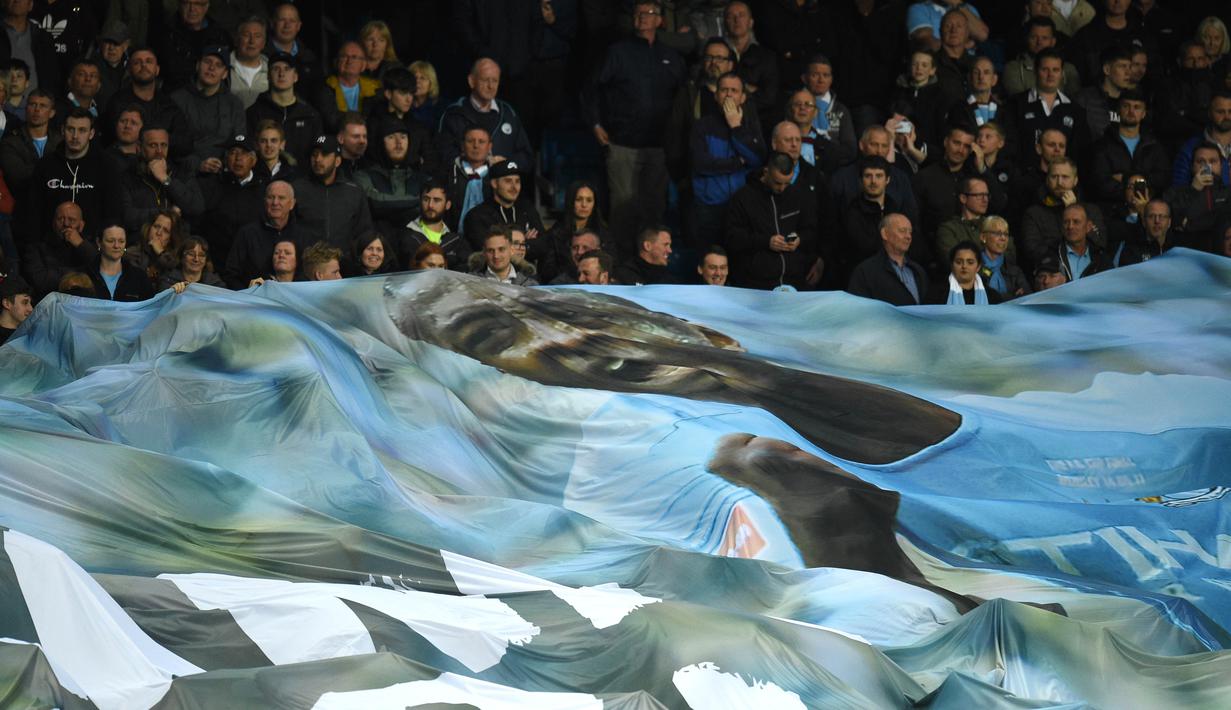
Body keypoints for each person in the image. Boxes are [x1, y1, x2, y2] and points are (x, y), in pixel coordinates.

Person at [583, 1, 685, 247]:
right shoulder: (618, 52)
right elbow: (591, 89)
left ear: (660, 20)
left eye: (648, 13)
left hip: (659, 147)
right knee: (622, 210)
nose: (642, 17)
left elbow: (683, 97)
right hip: (622, 144)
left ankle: (651, 261)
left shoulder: (670, 56)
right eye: (638, 13)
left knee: (655, 209)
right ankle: (620, 262)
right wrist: (595, 123)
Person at [688, 71, 765, 247]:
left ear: (743, 97)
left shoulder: (750, 125)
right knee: (710, 256)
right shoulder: (702, 126)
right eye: (724, 90)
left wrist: (735, 127)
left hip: (742, 205)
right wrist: (739, 162)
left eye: (734, 90)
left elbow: (757, 159)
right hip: (710, 206)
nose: (729, 94)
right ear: (716, 96)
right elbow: (702, 164)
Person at [725, 151, 819, 290]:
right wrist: (766, 241)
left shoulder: (797, 195)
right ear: (766, 171)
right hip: (755, 284)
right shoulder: (743, 198)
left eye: (787, 183)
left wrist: (798, 239)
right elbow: (732, 237)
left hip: (793, 282)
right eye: (777, 183)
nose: (782, 188)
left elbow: (809, 229)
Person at [24, 107, 116, 238]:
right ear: (62, 130)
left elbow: (112, 213)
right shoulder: (45, 165)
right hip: (50, 245)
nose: (75, 136)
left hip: (92, 244)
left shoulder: (106, 166)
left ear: (91, 134)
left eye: (82, 130)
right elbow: (34, 212)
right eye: (70, 129)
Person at [436, 57, 533, 170]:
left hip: (502, 180)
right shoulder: (454, 114)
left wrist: (506, 165)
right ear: (471, 81)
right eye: (485, 80)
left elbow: (526, 158)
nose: (490, 86)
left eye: (495, 80)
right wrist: (477, 165)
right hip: (465, 180)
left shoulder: (508, 113)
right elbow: (443, 156)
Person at [100, 47, 191, 158]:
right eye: (137, 62)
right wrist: (160, 139)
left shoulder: (168, 104)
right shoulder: (117, 102)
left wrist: (154, 141)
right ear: (129, 70)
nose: (143, 65)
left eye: (149, 61)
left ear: (157, 70)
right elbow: (111, 138)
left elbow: (185, 142)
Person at [169, 44, 245, 176]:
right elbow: (170, 144)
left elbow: (240, 143)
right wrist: (197, 164)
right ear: (198, 65)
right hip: (184, 174)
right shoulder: (177, 100)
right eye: (207, 62)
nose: (211, 68)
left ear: (225, 73)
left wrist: (224, 164)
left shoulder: (234, 104)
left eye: (218, 65)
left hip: (224, 174)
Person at [291, 134, 373, 252]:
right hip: (307, 260)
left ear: (337, 161)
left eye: (324, 154)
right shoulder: (297, 189)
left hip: (344, 261)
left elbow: (364, 232)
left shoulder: (354, 191)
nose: (318, 159)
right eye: (314, 154)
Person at [1087, 90, 1170, 207]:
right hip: (1112, 211)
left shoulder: (1154, 146)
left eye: (1137, 107)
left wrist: (1125, 178)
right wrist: (1135, 192)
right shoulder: (1102, 145)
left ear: (1144, 113)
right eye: (1126, 106)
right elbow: (1100, 183)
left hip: (1147, 210)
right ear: (1118, 110)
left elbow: (1162, 179)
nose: (1131, 111)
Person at [1021, 157, 1106, 270]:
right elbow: (1032, 250)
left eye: (1065, 177)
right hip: (1053, 272)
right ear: (1047, 180)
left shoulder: (1091, 210)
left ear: (1075, 180)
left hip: (1090, 272)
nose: (1059, 182)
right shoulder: (1033, 213)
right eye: (1054, 177)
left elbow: (1100, 243)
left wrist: (1074, 210)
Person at [117, 124, 204, 234]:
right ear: (139, 147)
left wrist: (166, 180)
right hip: (140, 240)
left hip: (176, 241)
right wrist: (167, 213)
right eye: (153, 145)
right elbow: (126, 216)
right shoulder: (127, 177)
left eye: (164, 145)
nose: (159, 151)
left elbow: (197, 207)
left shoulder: (181, 172)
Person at [461, 158, 546, 269]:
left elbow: (544, 245)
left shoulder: (528, 209)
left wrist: (523, 246)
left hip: (527, 275)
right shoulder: (477, 216)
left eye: (517, 181)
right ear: (494, 183)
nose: (514, 187)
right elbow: (488, 252)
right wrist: (524, 243)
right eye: (508, 181)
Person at [224, 179, 308, 288]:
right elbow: (231, 274)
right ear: (264, 202)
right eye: (270, 197)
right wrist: (250, 293)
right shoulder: (247, 234)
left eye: (281, 198)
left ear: (292, 203)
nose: (275, 203)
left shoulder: (303, 236)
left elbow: (309, 274)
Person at [198, 132, 266, 265]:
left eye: (244, 153)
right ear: (226, 159)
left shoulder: (264, 189)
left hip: (252, 261)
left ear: (254, 160)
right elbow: (202, 225)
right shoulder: (215, 184)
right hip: (217, 260)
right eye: (233, 153)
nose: (238, 158)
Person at [245, 51, 322, 165]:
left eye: (287, 69)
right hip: (264, 173)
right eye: (276, 69)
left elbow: (318, 151)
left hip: (302, 174)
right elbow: (250, 151)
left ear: (295, 76)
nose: (281, 74)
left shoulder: (310, 115)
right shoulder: (254, 113)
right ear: (268, 76)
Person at [353, 113, 425, 227]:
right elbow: (373, 203)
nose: (398, 142)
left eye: (403, 137)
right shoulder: (364, 176)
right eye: (391, 137)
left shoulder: (422, 179)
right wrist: (419, 201)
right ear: (380, 143)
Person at [151, 0, 231, 93]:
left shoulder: (220, 36)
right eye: (186, 3)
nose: (192, 9)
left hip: (210, 97)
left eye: (198, 4)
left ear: (207, 6)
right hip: (172, 96)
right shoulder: (164, 34)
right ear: (179, 5)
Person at [847, 213, 928, 305]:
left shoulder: (918, 271)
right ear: (885, 234)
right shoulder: (865, 272)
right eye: (902, 231)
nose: (908, 236)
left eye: (910, 232)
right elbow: (858, 308)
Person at [20, 200, 96, 297]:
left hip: (84, 301)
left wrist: (81, 244)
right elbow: (40, 281)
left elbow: (102, 271)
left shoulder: (90, 246)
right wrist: (81, 275)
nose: (66, 224)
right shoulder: (37, 247)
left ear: (81, 225)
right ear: (53, 223)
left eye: (71, 220)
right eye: (60, 219)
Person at [722, 1, 779, 131]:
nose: (737, 20)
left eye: (741, 15)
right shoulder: (717, 53)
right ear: (725, 23)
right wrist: (748, 88)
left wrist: (732, 93)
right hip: (721, 121)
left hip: (758, 124)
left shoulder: (767, 56)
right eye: (731, 16)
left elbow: (769, 97)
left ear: (751, 22)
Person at [1164, 142, 1231, 251]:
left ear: (1221, 165)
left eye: (1212, 161)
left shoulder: (1228, 192)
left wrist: (1189, 224)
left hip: (1221, 254)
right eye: (1201, 162)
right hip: (1187, 252)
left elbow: (1225, 223)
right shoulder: (1175, 192)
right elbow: (1172, 221)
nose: (1207, 167)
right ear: (1192, 166)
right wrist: (1193, 190)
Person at [396, 178, 471, 271]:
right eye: (426, 199)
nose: (430, 205)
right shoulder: (404, 236)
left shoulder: (458, 242)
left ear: (448, 205)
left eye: (436, 200)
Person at [800, 54, 856, 172]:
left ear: (831, 80)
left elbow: (850, 151)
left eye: (826, 75)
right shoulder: (794, 105)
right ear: (804, 78)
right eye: (815, 75)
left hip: (834, 169)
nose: (821, 80)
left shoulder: (841, 110)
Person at [1002, 18, 1082, 97]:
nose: (1039, 42)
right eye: (1034, 37)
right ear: (1026, 39)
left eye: (1044, 38)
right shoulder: (1014, 68)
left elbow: (1075, 98)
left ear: (1053, 41)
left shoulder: (1068, 69)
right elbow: (1018, 99)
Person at [1073, 46, 1136, 144]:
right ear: (1107, 70)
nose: (1128, 72)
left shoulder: (1133, 102)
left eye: (1130, 67)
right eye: (1122, 66)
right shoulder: (1085, 99)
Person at [0, 88, 57, 196]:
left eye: (43, 106)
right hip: (23, 200)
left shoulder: (60, 141)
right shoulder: (10, 142)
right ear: (26, 109)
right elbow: (18, 177)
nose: (37, 109)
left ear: (52, 113)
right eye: (32, 104)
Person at [544, 180, 605, 279]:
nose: (584, 205)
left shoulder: (604, 234)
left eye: (589, 200)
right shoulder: (556, 233)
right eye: (579, 199)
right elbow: (548, 271)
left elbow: (611, 267)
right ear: (571, 201)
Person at [0, 0, 62, 96]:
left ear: (30, 5)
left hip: (35, 103)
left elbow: (51, 75)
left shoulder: (43, 37)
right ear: (4, 2)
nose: (17, 0)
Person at [316, 41, 379, 132]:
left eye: (354, 57)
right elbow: (330, 120)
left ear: (363, 65)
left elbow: (376, 120)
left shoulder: (376, 88)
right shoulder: (324, 87)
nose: (349, 61)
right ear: (336, 62)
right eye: (344, 56)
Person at [1171, 92, 1231, 188]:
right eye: (1220, 112)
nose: (1227, 117)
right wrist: (1194, 188)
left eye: (1230, 111)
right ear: (1209, 113)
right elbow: (1177, 190)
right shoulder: (1190, 148)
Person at [88, 223, 154, 301]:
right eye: (110, 241)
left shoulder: (139, 277)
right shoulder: (85, 274)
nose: (116, 246)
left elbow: (151, 306)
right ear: (99, 242)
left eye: (121, 241)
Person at [978, 215, 1030, 300]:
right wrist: (1012, 296)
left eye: (1006, 234)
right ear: (983, 237)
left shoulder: (1014, 270)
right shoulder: (973, 266)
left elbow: (1027, 297)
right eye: (998, 233)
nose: (1003, 238)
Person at [124, 209, 183, 284]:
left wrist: (161, 253)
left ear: (171, 238)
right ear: (149, 228)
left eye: (165, 231)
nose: (159, 233)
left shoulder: (176, 261)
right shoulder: (132, 253)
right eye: (156, 226)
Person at [1056, 202, 1111, 281]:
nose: (1070, 226)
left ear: (1088, 226)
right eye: (1066, 222)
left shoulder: (1101, 257)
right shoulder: (1052, 255)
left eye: (1076, 222)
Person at [1114, 198, 1175, 266]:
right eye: (1151, 216)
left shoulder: (1177, 250)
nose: (1157, 221)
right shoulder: (1130, 251)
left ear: (1169, 222)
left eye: (1162, 216)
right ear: (1144, 222)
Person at [471, 223, 537, 285]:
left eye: (501, 249)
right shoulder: (470, 281)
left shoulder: (530, 284)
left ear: (512, 250)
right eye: (490, 251)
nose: (496, 255)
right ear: (484, 252)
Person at [939, 240, 1000, 304]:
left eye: (970, 262)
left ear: (978, 267)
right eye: (959, 262)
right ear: (951, 265)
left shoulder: (993, 297)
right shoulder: (937, 294)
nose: (964, 266)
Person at [613, 225, 677, 285]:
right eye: (665, 245)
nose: (670, 250)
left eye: (669, 246)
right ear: (647, 246)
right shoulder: (623, 274)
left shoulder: (669, 279)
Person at [228, 16, 269, 110]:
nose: (252, 41)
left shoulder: (272, 69)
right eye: (246, 35)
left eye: (257, 36)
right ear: (236, 40)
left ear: (263, 43)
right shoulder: (223, 66)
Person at [407, 60, 444, 130]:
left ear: (431, 83)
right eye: (414, 77)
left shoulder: (440, 108)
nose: (417, 81)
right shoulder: (403, 104)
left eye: (422, 78)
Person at [0, 275, 32, 344]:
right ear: (7, 304)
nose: (31, 309)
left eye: (30, 303)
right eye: (25, 302)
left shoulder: (30, 334)